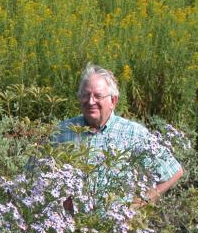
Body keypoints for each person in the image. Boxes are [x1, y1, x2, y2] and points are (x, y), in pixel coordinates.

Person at [52, 63, 183, 207]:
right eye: (86, 95)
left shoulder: (133, 133)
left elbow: (173, 171)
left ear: (113, 101)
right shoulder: (62, 131)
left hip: (111, 226)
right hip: (70, 225)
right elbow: (33, 172)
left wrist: (137, 204)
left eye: (97, 96)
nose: (90, 101)